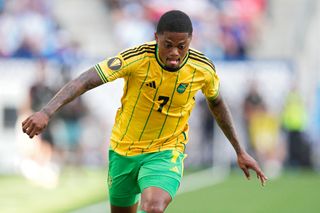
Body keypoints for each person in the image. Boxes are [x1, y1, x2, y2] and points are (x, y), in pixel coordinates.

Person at [22, 10, 267, 213]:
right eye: (168, 45)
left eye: (182, 46)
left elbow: (217, 103)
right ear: (156, 37)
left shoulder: (202, 68)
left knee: (153, 207)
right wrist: (46, 111)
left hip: (165, 151)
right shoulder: (136, 58)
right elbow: (86, 80)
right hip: (123, 150)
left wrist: (239, 150)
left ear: (190, 41)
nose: (174, 52)